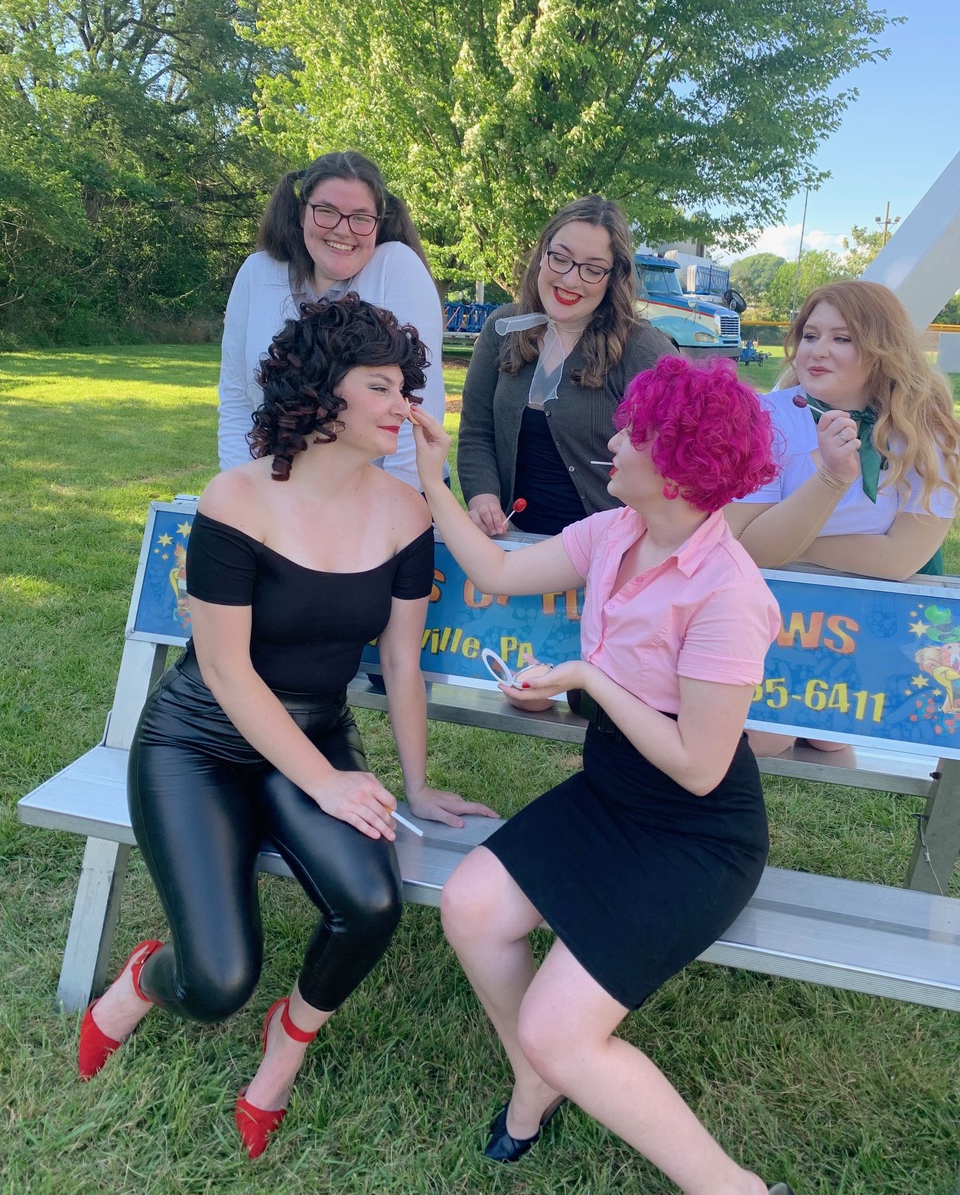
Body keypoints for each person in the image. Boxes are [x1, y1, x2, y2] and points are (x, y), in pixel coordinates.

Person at [78, 295, 495, 1160]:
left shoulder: (408, 514)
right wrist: (327, 781)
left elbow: (404, 662)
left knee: (371, 903)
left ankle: (289, 1042)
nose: (405, 405)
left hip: (311, 735)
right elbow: (226, 670)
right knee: (217, 979)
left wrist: (414, 786)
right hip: (197, 742)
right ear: (321, 390)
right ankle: (142, 982)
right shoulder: (238, 500)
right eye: (381, 386)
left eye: (406, 387)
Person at [411, 355, 793, 1195]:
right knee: (472, 908)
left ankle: (735, 1188)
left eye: (635, 431)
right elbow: (501, 570)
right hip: (612, 791)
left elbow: (699, 768)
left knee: (562, 1026)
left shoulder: (728, 594)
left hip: (694, 834)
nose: (613, 440)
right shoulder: (616, 530)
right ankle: (536, 1077)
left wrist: (586, 680)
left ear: (680, 462)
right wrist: (433, 478)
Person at [726, 279, 960, 755]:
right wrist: (825, 484)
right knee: (766, 736)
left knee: (836, 737)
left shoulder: (926, 431)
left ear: (882, 348)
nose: (818, 350)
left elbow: (901, 558)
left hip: (866, 619)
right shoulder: (768, 417)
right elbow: (746, 546)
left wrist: (790, 540)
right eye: (810, 335)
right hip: (771, 609)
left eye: (842, 338)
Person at [218, 150, 447, 492]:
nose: (343, 230)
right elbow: (237, 399)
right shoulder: (257, 272)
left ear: (378, 223)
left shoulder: (396, 267)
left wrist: (393, 510)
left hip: (387, 494)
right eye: (326, 212)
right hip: (282, 491)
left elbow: (417, 408)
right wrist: (245, 494)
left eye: (360, 217)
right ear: (301, 212)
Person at [457, 195, 676, 536]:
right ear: (543, 254)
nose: (570, 280)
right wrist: (482, 496)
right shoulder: (501, 329)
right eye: (560, 258)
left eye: (591, 269)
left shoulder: (641, 347)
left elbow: (690, 445)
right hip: (513, 547)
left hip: (606, 552)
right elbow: (476, 432)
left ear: (612, 276)